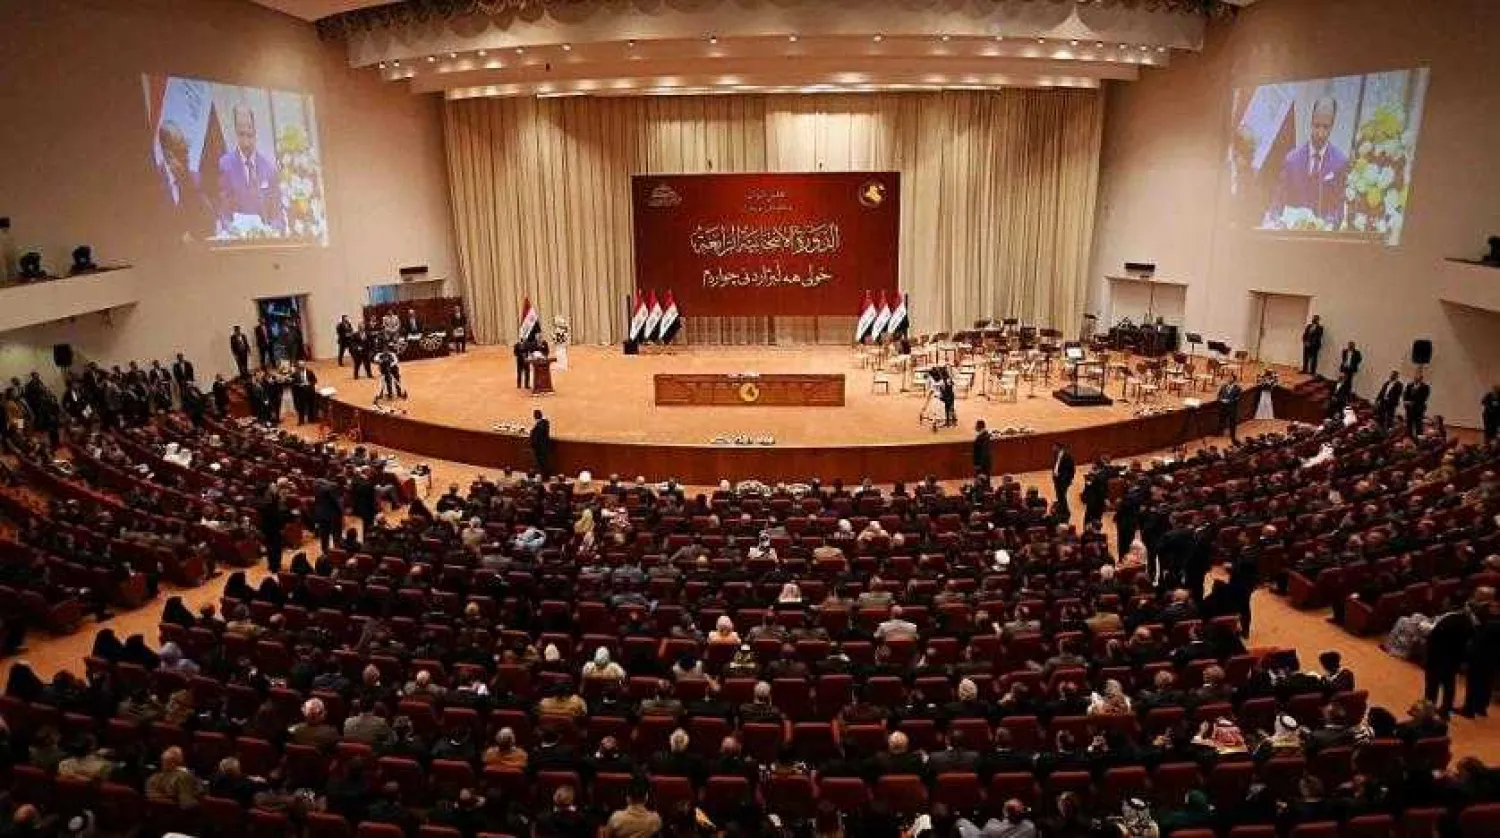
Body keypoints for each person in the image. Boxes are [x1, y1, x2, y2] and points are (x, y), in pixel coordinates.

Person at [1274, 96, 1349, 226]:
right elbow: (1278, 202)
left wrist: (1327, 224)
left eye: (1325, 127)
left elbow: (1339, 208)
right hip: (1293, 232)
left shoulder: (1340, 162)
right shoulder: (1292, 159)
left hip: (1323, 234)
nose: (1320, 133)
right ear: (1311, 122)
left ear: (1332, 127)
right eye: (1317, 126)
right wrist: (1277, 220)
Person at [216, 103, 284, 233]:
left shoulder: (269, 168)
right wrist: (232, 229)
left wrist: (272, 230)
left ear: (254, 128)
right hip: (237, 239)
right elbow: (224, 212)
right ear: (235, 130)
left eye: (249, 130)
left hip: (265, 239)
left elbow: (277, 214)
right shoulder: (225, 165)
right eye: (241, 131)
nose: (246, 136)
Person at [156, 120, 216, 241]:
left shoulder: (193, 179)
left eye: (187, 151)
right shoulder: (155, 181)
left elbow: (210, 223)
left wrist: (188, 183)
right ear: (168, 155)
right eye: (181, 152)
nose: (187, 158)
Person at [1424, 601, 1477, 718]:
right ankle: (1445, 710)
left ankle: (1427, 711)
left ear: (1453, 606)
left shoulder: (1447, 620)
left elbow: (1434, 635)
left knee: (1432, 685)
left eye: (1447, 602)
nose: (1444, 604)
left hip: (1438, 657)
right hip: (1454, 658)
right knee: (1449, 685)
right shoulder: (1467, 621)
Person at [1051, 442, 1075, 519]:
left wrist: (1068, 480)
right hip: (1057, 479)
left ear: (1058, 447)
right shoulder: (1056, 454)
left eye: (1054, 446)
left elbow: (1072, 470)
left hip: (1063, 481)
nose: (1053, 448)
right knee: (1059, 495)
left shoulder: (1067, 456)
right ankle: (1061, 508)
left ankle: (1066, 512)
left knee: (1062, 496)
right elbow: (1056, 465)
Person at [1404, 372, 1430, 438]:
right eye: (1415, 377)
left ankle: (1418, 438)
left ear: (1421, 378)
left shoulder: (1425, 387)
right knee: (1409, 424)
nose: (1416, 378)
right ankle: (1409, 437)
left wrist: (1413, 402)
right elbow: (1405, 394)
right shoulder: (1410, 385)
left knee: (1418, 425)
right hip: (1409, 408)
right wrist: (1406, 401)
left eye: (1418, 377)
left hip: (1418, 408)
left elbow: (1424, 398)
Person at [1218, 375, 1242, 443]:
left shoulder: (1238, 388)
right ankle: (1220, 433)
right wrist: (1221, 400)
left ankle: (1232, 435)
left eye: (1230, 378)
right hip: (1223, 407)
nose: (1228, 379)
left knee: (1232, 422)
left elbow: (1238, 398)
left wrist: (1230, 401)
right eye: (1228, 378)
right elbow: (1219, 395)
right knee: (1222, 420)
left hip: (1232, 408)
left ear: (1234, 380)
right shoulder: (1223, 387)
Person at [531, 409, 552, 478]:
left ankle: (545, 476)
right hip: (545, 447)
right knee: (545, 462)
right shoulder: (545, 422)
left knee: (542, 463)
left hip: (540, 448)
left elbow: (536, 438)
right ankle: (545, 476)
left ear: (535, 417)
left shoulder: (539, 426)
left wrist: (533, 445)